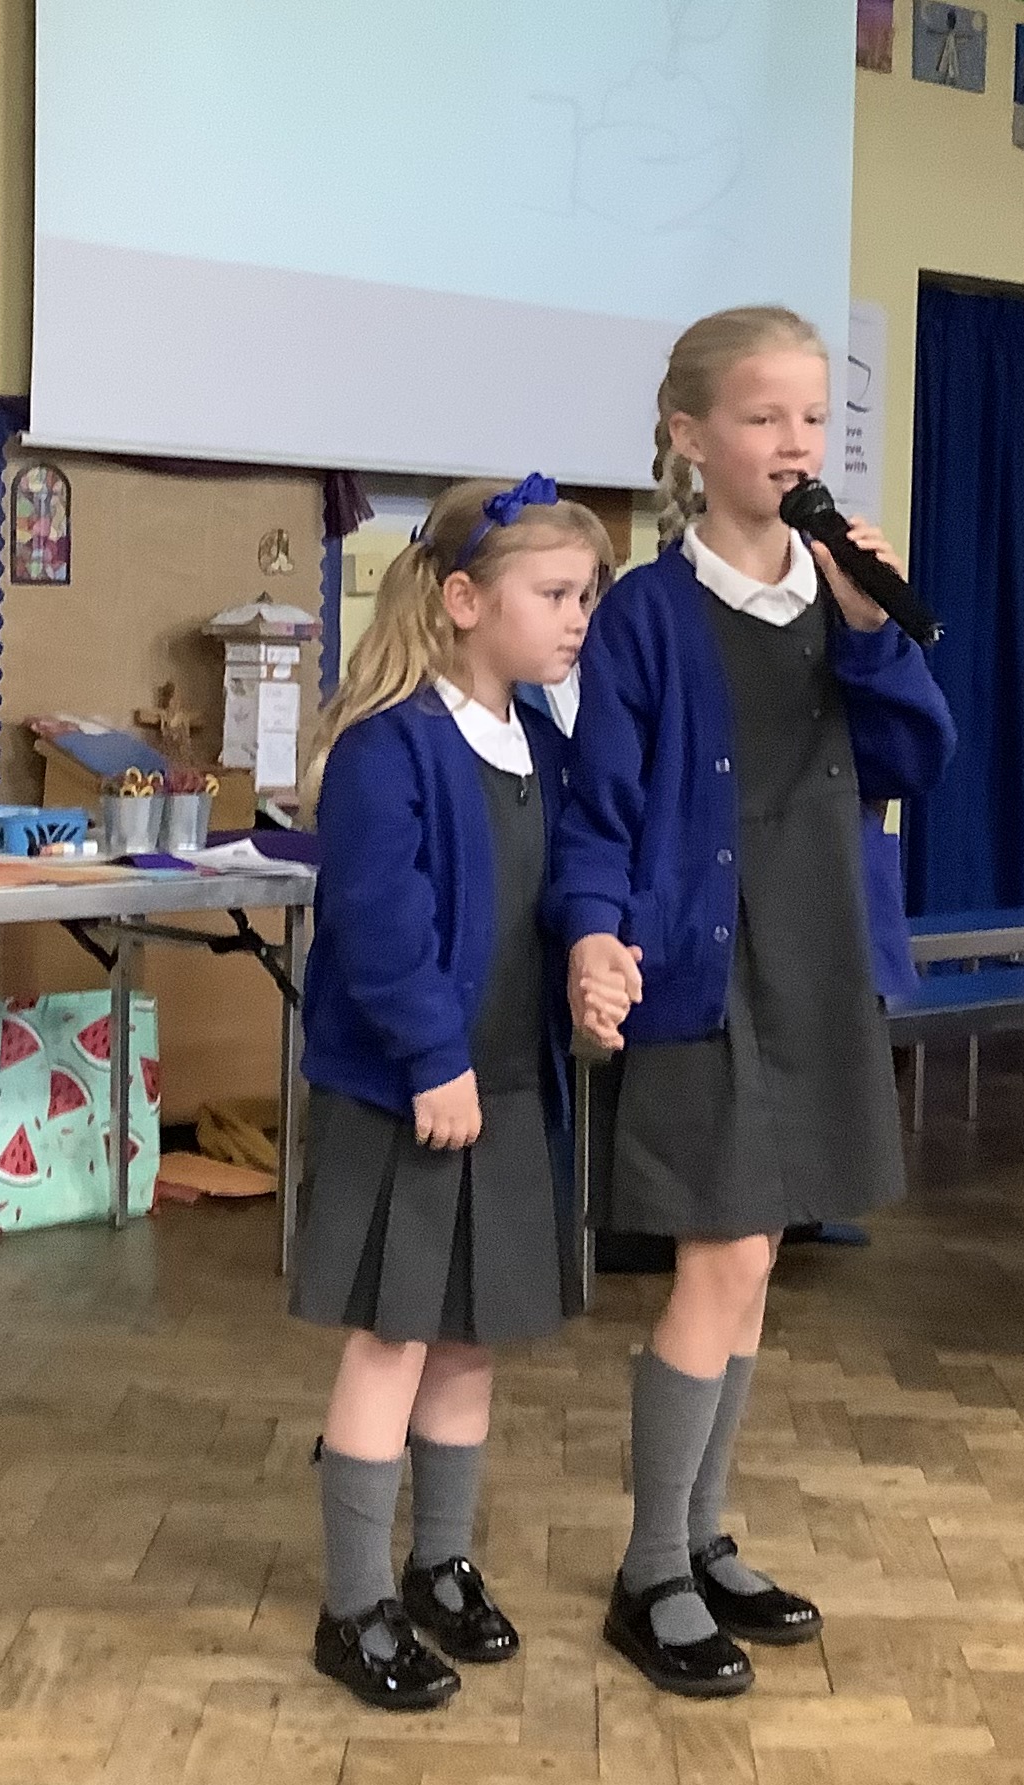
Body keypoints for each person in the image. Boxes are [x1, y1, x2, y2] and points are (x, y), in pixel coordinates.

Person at [553, 305, 954, 1698]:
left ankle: (701, 1533)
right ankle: (648, 1567)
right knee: (717, 1260)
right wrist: (593, 939)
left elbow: (912, 758)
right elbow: (599, 810)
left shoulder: (838, 595)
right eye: (762, 416)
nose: (795, 443)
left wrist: (871, 633)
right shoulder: (645, 617)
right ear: (689, 437)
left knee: (759, 1261)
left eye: (813, 418)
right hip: (704, 967)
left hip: (817, 960)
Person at [293, 475, 626, 1712]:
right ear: (465, 600)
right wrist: (435, 1058)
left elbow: (573, 873)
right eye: (556, 592)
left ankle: (438, 1565)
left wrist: (594, 954)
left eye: (587, 595)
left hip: (511, 1090)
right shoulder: (388, 748)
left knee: (471, 1337)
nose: (578, 616)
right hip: (413, 1092)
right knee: (393, 1338)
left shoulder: (541, 741)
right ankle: (353, 1607)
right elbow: (382, 923)